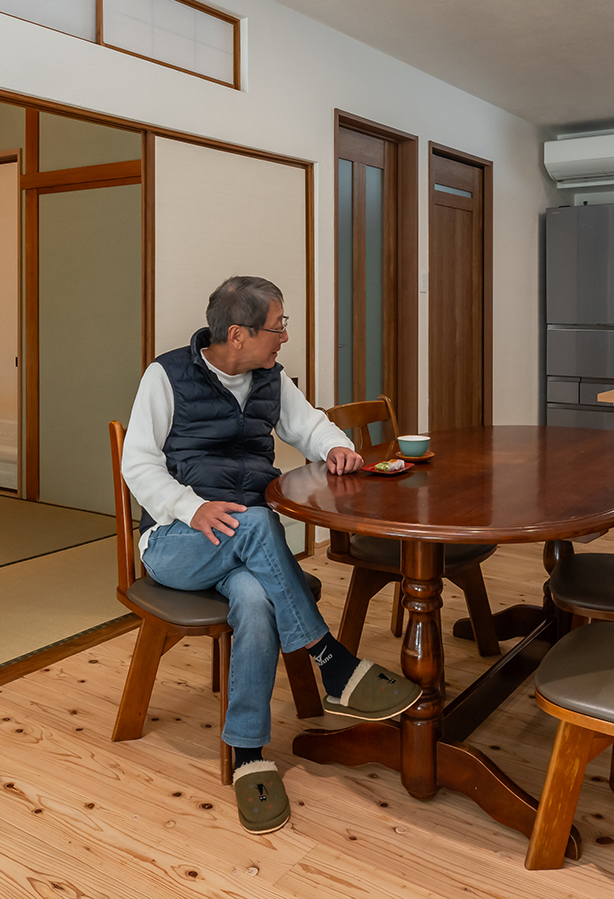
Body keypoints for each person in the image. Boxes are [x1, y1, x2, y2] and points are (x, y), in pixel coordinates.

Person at [120, 275, 422, 835]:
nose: (284, 337)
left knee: (257, 601)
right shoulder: (166, 375)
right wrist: (190, 508)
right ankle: (332, 661)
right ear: (238, 334)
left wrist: (337, 447)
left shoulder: (269, 379)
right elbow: (136, 463)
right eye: (278, 327)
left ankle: (247, 755)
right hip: (176, 541)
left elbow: (310, 426)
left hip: (245, 550)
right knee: (259, 520)